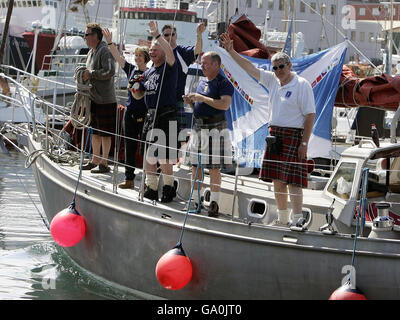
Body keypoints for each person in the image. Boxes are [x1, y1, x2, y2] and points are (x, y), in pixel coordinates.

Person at [220, 33, 316, 226]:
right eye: (275, 67)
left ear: (289, 66)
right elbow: (249, 68)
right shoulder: (272, 80)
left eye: (282, 66)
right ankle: (282, 219)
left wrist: (304, 143)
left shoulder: (302, 85)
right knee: (277, 181)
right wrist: (231, 52)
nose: (279, 70)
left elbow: (310, 116)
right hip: (275, 135)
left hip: (294, 136)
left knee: (294, 183)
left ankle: (297, 220)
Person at [131, 21, 178, 203]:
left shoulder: (169, 66)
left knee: (165, 156)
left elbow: (171, 53)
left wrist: (158, 34)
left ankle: (167, 188)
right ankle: (151, 188)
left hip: (167, 114)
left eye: (155, 49)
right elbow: (138, 95)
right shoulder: (149, 72)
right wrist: (134, 89)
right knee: (149, 154)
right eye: (150, 49)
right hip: (151, 114)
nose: (152, 51)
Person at [183, 51, 234, 217]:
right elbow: (199, 107)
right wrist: (192, 103)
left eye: (205, 63)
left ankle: (214, 203)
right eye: (201, 63)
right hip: (199, 126)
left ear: (215, 65)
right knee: (195, 166)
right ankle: (194, 201)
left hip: (215, 126)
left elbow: (224, 105)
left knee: (214, 168)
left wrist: (202, 99)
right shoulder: (202, 81)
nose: (202, 66)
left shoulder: (224, 83)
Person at [103, 28, 150, 189]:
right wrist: (109, 42)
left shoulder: (150, 74)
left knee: (144, 146)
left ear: (146, 58)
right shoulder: (131, 70)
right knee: (129, 145)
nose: (137, 58)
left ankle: (147, 178)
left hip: (143, 113)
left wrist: (133, 89)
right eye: (136, 55)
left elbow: (141, 94)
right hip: (130, 112)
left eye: (140, 56)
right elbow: (118, 57)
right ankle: (129, 178)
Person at [161, 23, 205, 150]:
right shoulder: (160, 52)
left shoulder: (182, 52)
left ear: (176, 35)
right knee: (161, 133)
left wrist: (199, 35)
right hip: (161, 100)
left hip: (176, 100)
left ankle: (180, 159)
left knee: (178, 135)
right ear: (162, 37)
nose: (169, 37)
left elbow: (197, 50)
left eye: (172, 34)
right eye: (166, 35)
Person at [81, 22, 117, 174]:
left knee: (105, 133)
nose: (85, 38)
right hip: (94, 98)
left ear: (95, 36)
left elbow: (109, 71)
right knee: (94, 131)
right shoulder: (91, 52)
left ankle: (104, 162)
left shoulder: (104, 50)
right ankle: (95, 159)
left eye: (87, 35)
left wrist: (91, 74)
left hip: (105, 100)